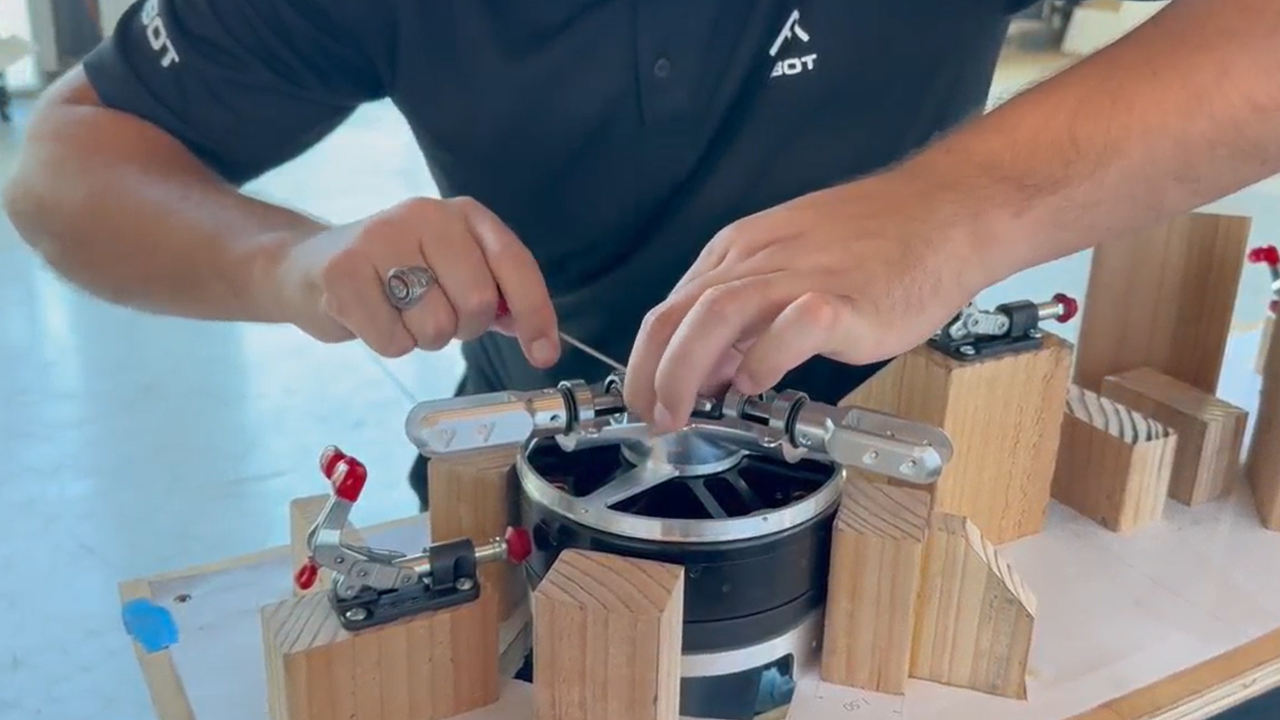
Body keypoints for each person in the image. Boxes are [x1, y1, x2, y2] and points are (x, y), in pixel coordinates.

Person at [4, 0, 1276, 515]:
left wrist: (959, 205)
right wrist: (300, 261)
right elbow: (65, 160)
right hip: (532, 478)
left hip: (915, 457)